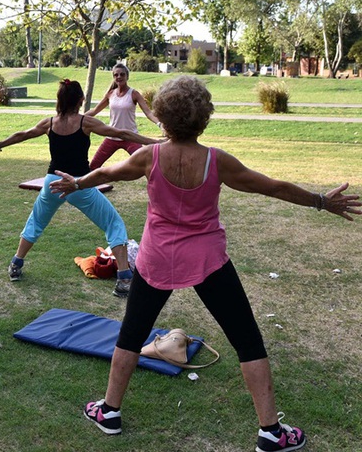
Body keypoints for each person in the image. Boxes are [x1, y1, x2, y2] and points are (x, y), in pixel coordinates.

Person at [50, 75, 360, 452]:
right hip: (207, 260)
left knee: (131, 336)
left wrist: (76, 183)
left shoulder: (149, 156)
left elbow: (107, 173)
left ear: (161, 118)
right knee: (247, 341)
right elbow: (272, 186)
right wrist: (320, 201)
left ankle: (109, 411)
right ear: (205, 117)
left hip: (157, 258)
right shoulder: (217, 160)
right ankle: (271, 432)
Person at [0, 78, 160, 297]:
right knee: (113, 223)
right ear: (81, 100)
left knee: (36, 221)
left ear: (59, 100)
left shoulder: (50, 123)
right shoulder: (85, 122)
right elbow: (121, 134)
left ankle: (16, 265)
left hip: (52, 182)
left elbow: (22, 135)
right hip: (78, 185)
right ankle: (124, 279)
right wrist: (155, 143)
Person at [85, 63, 160, 170]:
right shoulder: (110, 94)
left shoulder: (134, 94)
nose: (119, 77)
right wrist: (78, 118)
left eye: (122, 74)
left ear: (127, 76)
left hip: (130, 137)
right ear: (113, 77)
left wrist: (159, 123)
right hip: (112, 137)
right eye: (116, 75)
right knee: (93, 167)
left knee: (147, 164)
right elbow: (95, 110)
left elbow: (148, 113)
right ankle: (87, 186)